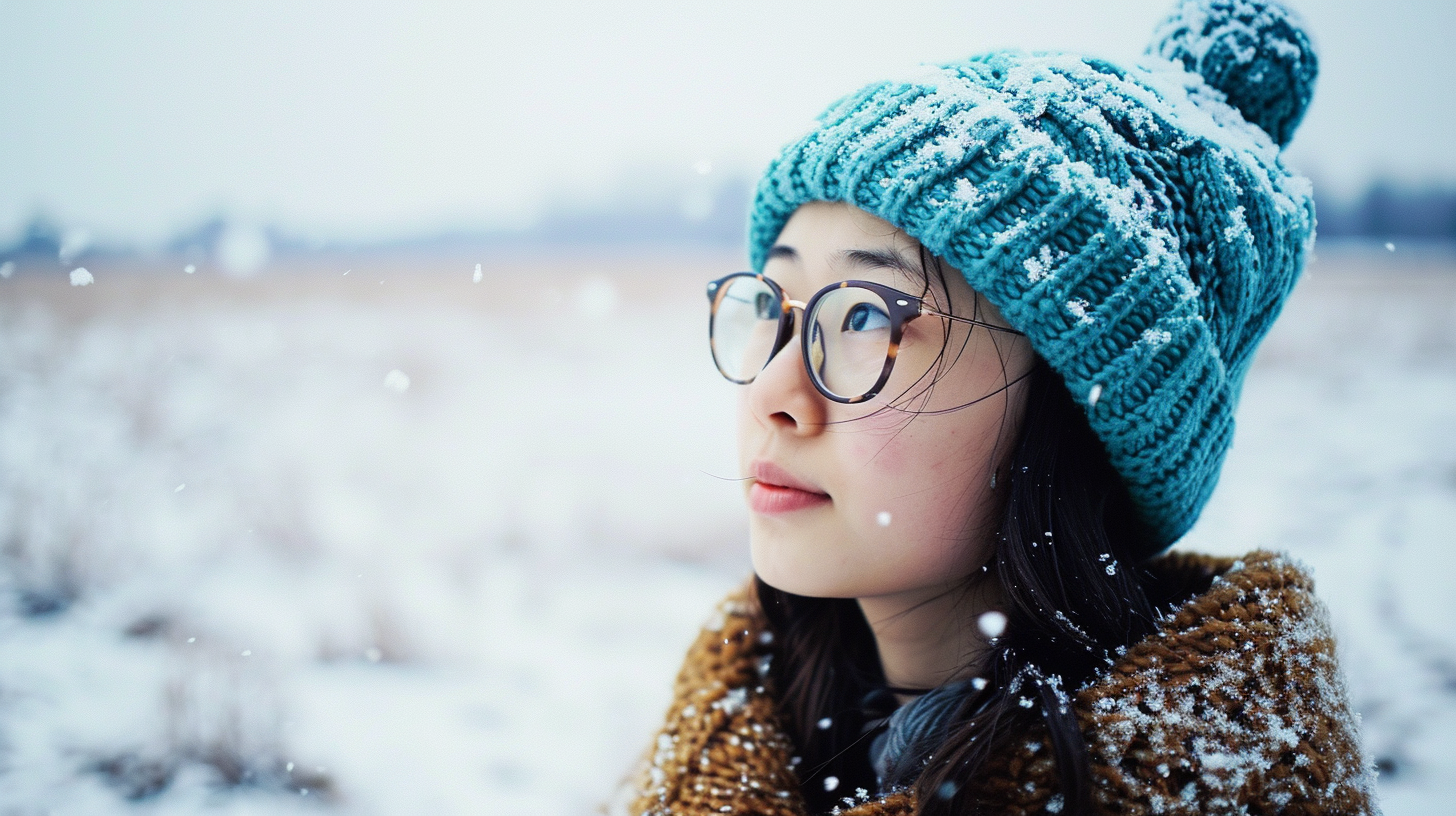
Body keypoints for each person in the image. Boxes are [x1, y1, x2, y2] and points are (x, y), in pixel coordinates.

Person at [620, 1, 1378, 813]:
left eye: (867, 317)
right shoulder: (735, 729)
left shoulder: (1223, 788)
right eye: (777, 305)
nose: (772, 393)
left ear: (1073, 411)